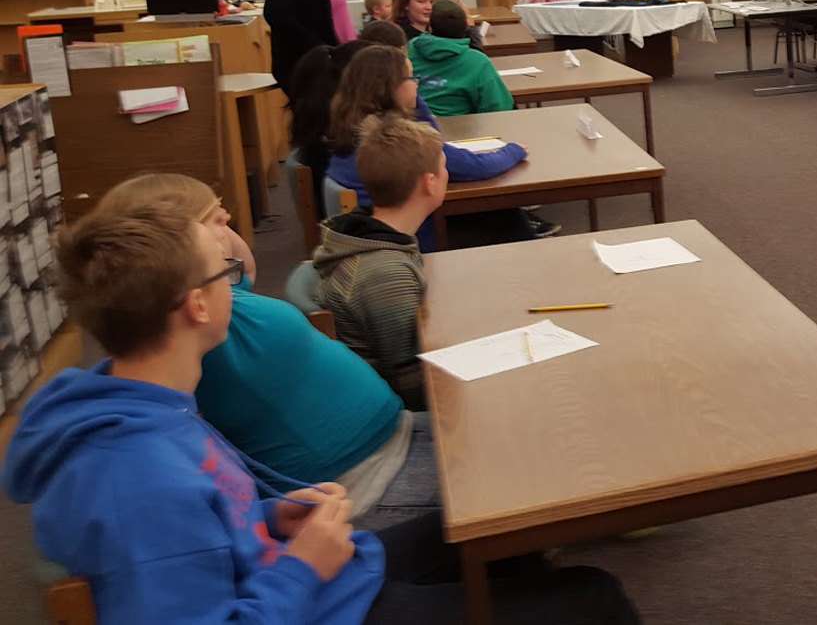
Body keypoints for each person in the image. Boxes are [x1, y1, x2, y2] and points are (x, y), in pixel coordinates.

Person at [2, 193, 639, 624]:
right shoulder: (134, 478)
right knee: (594, 596)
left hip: (301, 576)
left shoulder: (142, 404)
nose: (235, 281)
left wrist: (271, 515)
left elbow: (203, 526)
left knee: (501, 529)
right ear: (196, 305)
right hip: (315, 602)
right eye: (224, 272)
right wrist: (304, 566)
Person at [94, 174, 440, 530]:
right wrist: (203, 243)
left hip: (393, 436)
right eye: (215, 219)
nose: (228, 219)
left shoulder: (208, 303)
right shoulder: (194, 329)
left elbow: (246, 269)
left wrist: (212, 236)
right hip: (362, 483)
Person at [324, 45, 529, 251]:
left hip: (373, 232)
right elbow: (474, 166)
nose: (417, 87)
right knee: (507, 214)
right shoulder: (396, 139)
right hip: (412, 238)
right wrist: (513, 151)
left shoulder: (351, 126)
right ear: (392, 87)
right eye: (412, 79)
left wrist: (407, 103)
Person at [314, 115, 447, 410]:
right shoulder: (385, 274)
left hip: (381, 393)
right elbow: (411, 381)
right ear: (430, 183)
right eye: (444, 166)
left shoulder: (375, 239)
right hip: (392, 412)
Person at [409, 0, 513, 116]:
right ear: (467, 26)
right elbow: (498, 106)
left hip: (412, 126)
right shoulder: (477, 61)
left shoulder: (410, 49)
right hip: (460, 129)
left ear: (430, 28)